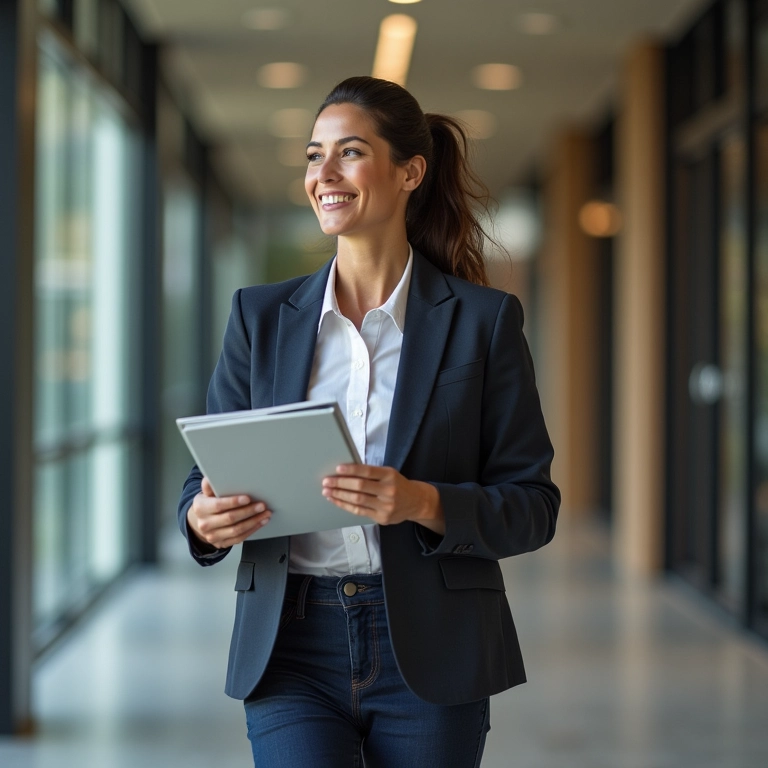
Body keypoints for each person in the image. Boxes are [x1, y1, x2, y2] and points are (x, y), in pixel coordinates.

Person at [178, 75, 560, 768]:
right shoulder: (258, 319)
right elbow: (202, 478)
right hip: (289, 643)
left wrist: (422, 502)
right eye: (313, 155)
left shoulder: (483, 322)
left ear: (410, 172)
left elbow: (533, 507)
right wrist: (203, 521)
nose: (323, 173)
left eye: (349, 152)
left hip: (433, 643)